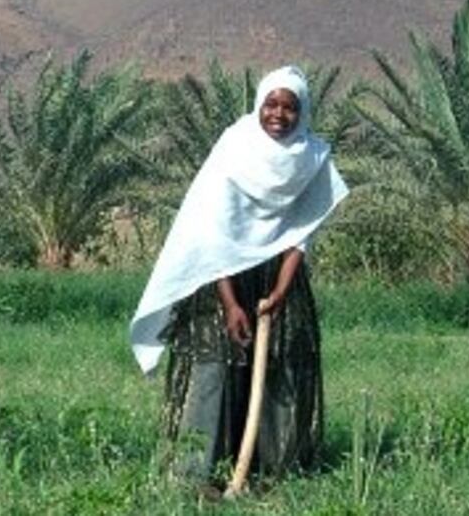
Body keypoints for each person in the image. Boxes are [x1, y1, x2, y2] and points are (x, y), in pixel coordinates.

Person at [129, 66, 348, 483]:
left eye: (289, 107)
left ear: (303, 113)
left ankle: (274, 471)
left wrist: (282, 289)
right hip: (219, 276)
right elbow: (213, 230)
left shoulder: (313, 157)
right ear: (258, 105)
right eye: (271, 104)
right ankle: (193, 476)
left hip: (276, 278)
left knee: (281, 364)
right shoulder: (234, 148)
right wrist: (230, 303)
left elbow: (301, 233)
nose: (278, 114)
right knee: (213, 363)